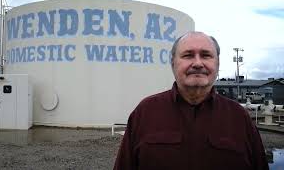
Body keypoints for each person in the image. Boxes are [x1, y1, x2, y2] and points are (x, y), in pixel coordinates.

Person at [113, 31, 269, 170]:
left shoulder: (239, 118)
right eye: (188, 55)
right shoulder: (145, 112)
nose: (197, 63)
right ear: (173, 63)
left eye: (206, 55)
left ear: (217, 64)